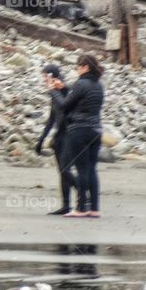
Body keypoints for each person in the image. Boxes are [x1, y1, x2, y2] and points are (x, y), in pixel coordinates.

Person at [46, 54, 105, 218]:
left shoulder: (80, 84)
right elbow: (77, 99)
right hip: (96, 131)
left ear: (85, 67)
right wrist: (63, 88)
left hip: (79, 131)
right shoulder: (98, 85)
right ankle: (94, 208)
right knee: (92, 169)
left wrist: (53, 91)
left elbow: (64, 106)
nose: (77, 69)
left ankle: (80, 208)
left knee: (79, 169)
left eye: (78, 66)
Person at [35, 63, 76, 215]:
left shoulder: (66, 90)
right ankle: (66, 205)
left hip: (70, 133)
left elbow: (66, 107)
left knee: (66, 170)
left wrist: (57, 89)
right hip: (59, 134)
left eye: (46, 76)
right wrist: (42, 139)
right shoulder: (53, 93)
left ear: (52, 76)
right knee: (62, 171)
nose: (44, 79)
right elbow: (52, 118)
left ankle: (83, 193)